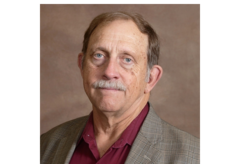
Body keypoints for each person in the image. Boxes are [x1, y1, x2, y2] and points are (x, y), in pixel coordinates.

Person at [38, 11, 202, 164]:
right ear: (82, 65)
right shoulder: (45, 146)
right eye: (99, 55)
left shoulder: (194, 157)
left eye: (127, 60)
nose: (109, 72)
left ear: (151, 78)